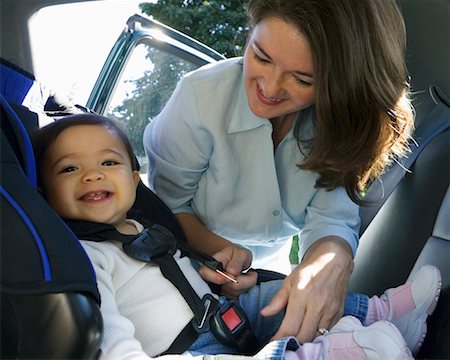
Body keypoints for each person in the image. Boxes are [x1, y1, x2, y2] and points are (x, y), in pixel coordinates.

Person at [31, 114, 440, 360]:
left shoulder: (144, 228)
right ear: (45, 192)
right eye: (69, 169)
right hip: (186, 350)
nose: (92, 174)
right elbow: (110, 332)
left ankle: (384, 315)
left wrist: (214, 274)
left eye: (108, 162)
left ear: (135, 180)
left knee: (280, 293)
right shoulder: (85, 255)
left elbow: (176, 272)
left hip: (224, 312)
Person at [143, 0, 415, 344]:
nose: (269, 89)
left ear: (338, 85)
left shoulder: (339, 126)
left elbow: (331, 221)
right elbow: (165, 208)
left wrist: (327, 264)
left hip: (270, 275)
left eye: (302, 79)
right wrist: (217, 250)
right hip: (184, 265)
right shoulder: (200, 98)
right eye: (261, 56)